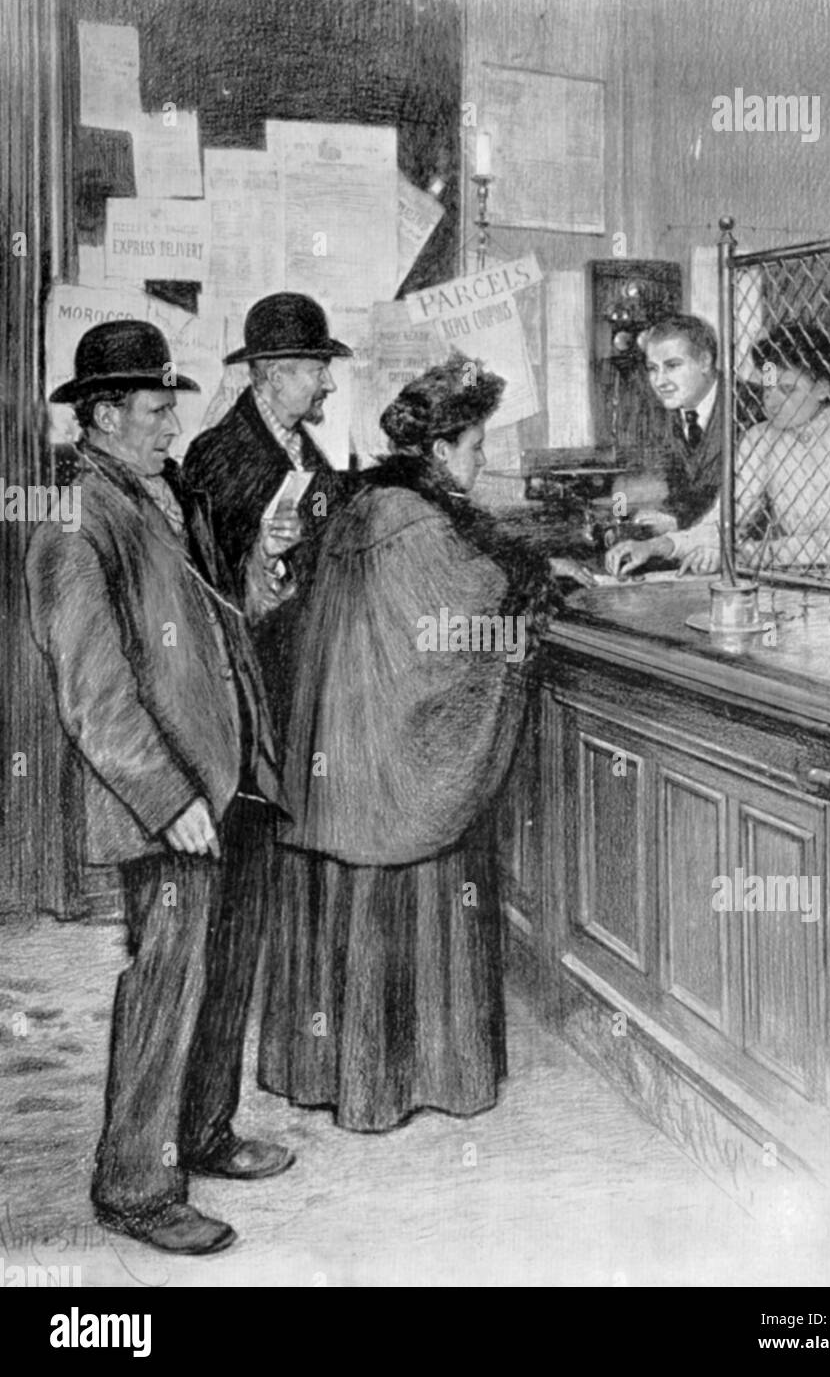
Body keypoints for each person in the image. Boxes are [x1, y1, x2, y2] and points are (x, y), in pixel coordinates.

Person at [258, 353, 591, 1132]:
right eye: (476, 445)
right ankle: (406, 1080)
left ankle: (334, 1074)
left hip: (339, 761)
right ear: (439, 452)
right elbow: (472, 617)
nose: (482, 459)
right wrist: (542, 589)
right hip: (387, 769)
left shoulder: (372, 505)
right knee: (416, 885)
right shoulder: (414, 525)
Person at [26, 321, 294, 1257]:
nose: (172, 420)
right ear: (100, 416)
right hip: (171, 795)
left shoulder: (162, 493)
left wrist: (260, 574)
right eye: (153, 406)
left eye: (171, 402)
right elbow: (91, 687)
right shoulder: (76, 519)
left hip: (229, 781)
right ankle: (137, 1184)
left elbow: (219, 622)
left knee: (224, 970)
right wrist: (166, 795)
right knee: (167, 981)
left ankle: (207, 1131)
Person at [184, 292, 353, 730]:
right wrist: (266, 556)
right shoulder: (217, 455)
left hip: (311, 675)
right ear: (277, 375)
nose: (329, 385)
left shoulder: (304, 450)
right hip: (254, 693)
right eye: (319, 370)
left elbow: (325, 514)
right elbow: (212, 581)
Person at [616, 324, 830, 575]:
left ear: (823, 388)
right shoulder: (760, 438)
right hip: (799, 575)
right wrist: (659, 546)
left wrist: (742, 553)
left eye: (787, 390)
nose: (772, 401)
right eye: (768, 388)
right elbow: (727, 519)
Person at [604, 314, 764, 576]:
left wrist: (678, 520)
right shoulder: (657, 412)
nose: (659, 381)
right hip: (685, 550)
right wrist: (625, 517)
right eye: (653, 368)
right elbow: (632, 482)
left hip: (747, 558)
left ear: (705, 361)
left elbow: (759, 510)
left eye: (672, 365)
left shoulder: (753, 407)